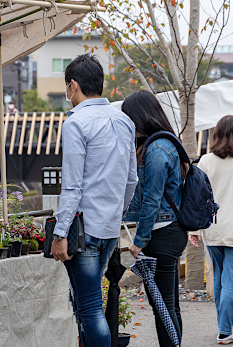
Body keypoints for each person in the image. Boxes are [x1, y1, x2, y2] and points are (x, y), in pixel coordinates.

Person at [51, 53, 138, 347]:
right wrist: (117, 213)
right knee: (88, 305)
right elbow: (131, 180)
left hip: (83, 229)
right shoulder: (124, 121)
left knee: (88, 306)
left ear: (72, 85)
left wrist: (60, 233)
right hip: (110, 227)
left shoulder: (76, 123)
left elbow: (72, 186)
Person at [122, 90, 186, 347]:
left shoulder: (157, 150)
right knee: (169, 305)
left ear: (139, 117)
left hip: (162, 234)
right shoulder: (163, 143)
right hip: (169, 232)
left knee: (162, 306)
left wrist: (140, 240)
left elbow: (151, 199)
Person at [189, 115, 233, 345]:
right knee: (231, 280)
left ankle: (224, 327)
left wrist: (194, 229)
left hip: (212, 228)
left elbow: (197, 199)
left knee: (220, 278)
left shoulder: (205, 161)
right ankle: (225, 330)